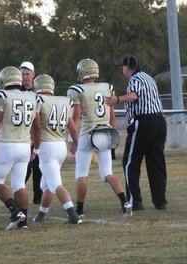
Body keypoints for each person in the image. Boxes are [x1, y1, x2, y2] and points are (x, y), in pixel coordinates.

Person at [67, 58, 132, 217]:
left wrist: (71, 140)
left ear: (81, 72)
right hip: (105, 133)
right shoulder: (107, 87)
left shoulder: (76, 90)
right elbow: (112, 118)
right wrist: (113, 135)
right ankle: (125, 202)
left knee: (82, 174)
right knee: (107, 173)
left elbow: (75, 118)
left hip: (88, 133)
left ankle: (80, 211)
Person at [0, 66, 41, 230]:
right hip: (25, 146)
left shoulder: (1, 96)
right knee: (19, 184)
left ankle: (15, 211)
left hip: (8, 145)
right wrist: (35, 150)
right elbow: (37, 128)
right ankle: (24, 222)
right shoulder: (32, 97)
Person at [105, 55, 168, 211]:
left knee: (130, 162)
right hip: (159, 121)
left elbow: (134, 96)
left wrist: (117, 99)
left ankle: (135, 201)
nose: (122, 70)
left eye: (123, 67)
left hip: (144, 122)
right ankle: (160, 201)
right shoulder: (148, 77)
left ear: (127, 67)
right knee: (156, 162)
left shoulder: (135, 79)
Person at [31, 74, 81, 224]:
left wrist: (35, 148)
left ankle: (73, 215)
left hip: (47, 146)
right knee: (46, 184)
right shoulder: (64, 101)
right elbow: (72, 128)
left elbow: (37, 128)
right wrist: (75, 143)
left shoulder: (37, 100)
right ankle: (40, 215)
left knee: (55, 184)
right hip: (61, 145)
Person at [19, 61, 43, 205]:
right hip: (24, 137)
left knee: (39, 168)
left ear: (33, 75)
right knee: (25, 168)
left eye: (27, 74)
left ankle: (38, 197)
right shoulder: (17, 92)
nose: (25, 77)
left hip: (39, 136)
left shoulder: (39, 90)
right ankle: (19, 192)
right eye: (22, 74)